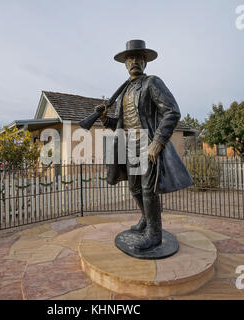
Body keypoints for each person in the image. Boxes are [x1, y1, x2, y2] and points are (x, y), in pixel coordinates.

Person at [96, 40, 193, 250]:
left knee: (149, 190)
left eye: (139, 58)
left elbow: (172, 111)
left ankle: (154, 233)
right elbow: (119, 124)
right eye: (130, 59)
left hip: (146, 144)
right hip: (129, 145)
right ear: (125, 64)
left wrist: (158, 141)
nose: (134, 62)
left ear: (145, 62)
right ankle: (146, 219)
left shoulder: (152, 83)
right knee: (135, 188)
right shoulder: (124, 92)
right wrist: (105, 119)